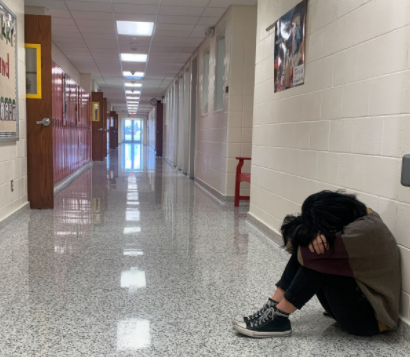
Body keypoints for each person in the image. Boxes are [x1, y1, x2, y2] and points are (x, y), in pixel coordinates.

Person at [232, 190, 401, 338]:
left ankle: (277, 318)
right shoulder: (350, 214)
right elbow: (287, 228)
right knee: (311, 246)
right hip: (354, 305)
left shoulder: (364, 230)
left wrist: (307, 236)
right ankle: (272, 308)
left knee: (318, 256)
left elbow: (304, 250)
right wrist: (311, 233)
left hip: (371, 321)